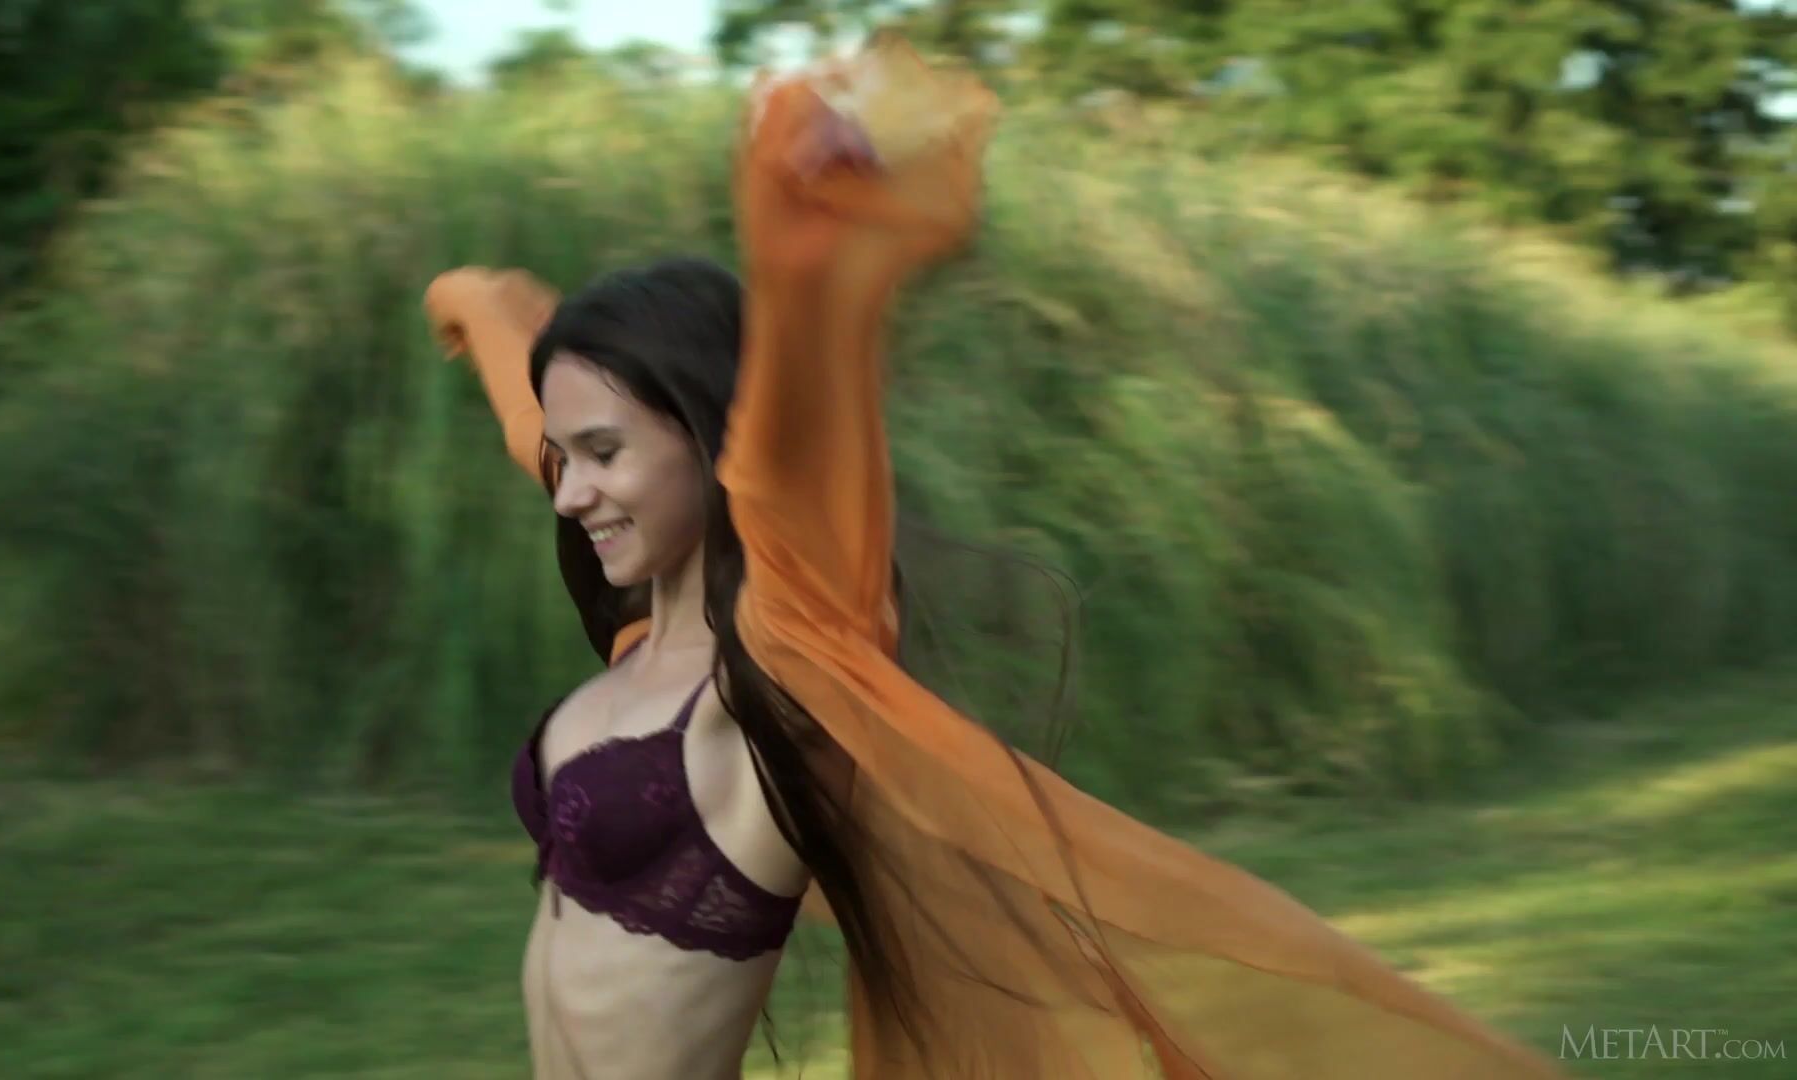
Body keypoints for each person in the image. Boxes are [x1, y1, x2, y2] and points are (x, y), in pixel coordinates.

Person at [424, 34, 1568, 1080]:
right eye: (562, 459)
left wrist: (804, 233)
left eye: (602, 455)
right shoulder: (641, 636)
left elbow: (788, 437)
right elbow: (551, 431)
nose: (568, 492)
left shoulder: (776, 658)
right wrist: (476, 305)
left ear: (711, 436)